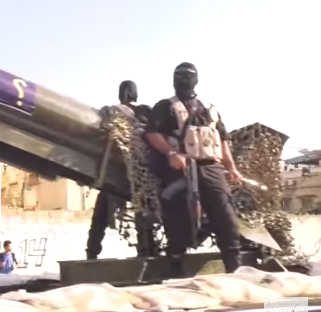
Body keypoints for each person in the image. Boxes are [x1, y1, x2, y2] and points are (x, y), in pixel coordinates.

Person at [144, 62, 243, 275]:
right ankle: (176, 270)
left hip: (211, 168)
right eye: (180, 77)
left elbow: (223, 141)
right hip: (180, 169)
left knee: (226, 220)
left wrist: (232, 168)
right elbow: (152, 133)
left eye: (188, 77)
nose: (184, 81)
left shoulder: (210, 109)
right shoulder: (165, 106)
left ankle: (234, 271)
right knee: (178, 222)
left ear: (196, 80)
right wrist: (171, 154)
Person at [86, 80, 156, 260]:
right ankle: (146, 251)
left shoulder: (111, 111)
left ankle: (92, 252)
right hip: (138, 175)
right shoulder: (145, 112)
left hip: (113, 174)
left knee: (100, 216)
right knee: (142, 210)